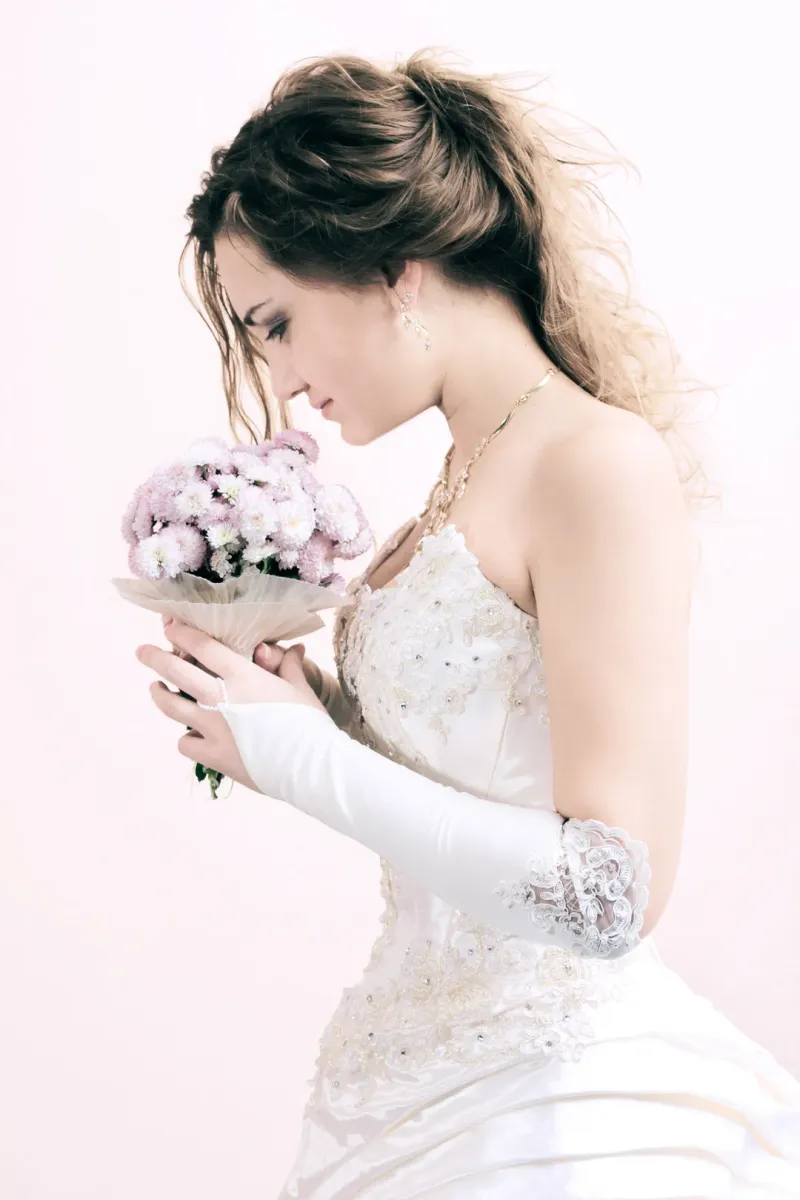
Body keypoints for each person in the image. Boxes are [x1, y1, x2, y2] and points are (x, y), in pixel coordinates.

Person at [146, 48, 800, 1197]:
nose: (278, 378)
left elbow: (609, 892)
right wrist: (304, 715)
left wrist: (302, 759)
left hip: (560, 1115)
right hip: (413, 1086)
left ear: (392, 269)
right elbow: (476, 782)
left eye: (276, 323)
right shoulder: (455, 486)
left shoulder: (593, 462)